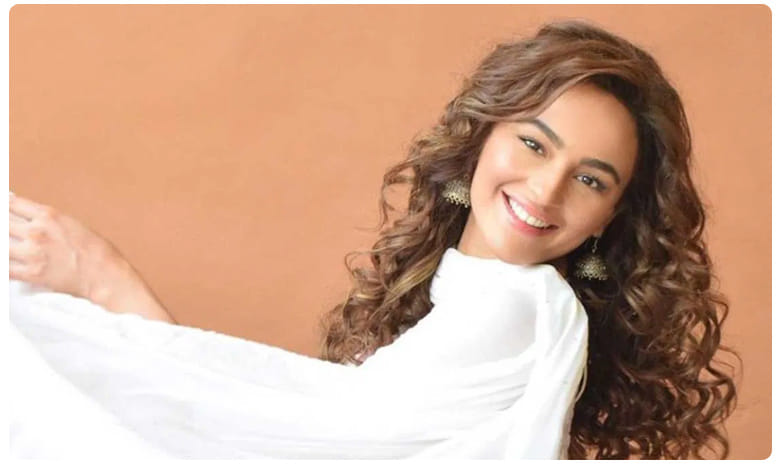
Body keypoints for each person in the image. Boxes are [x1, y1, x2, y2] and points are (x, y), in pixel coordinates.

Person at [9, 20, 737, 459]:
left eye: (590, 180)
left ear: (609, 216)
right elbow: (283, 437)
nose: (546, 190)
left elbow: (266, 435)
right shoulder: (479, 300)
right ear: (483, 137)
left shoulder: (517, 310)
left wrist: (105, 278)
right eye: (534, 144)